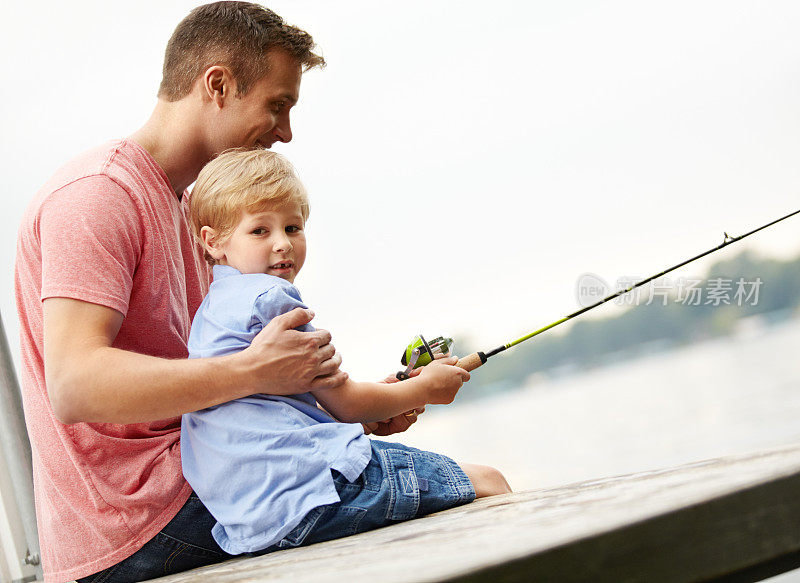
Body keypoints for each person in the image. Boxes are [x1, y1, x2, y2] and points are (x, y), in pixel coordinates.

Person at [14, 3, 420, 582]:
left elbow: (237, 380)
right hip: (139, 520)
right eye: (277, 105)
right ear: (218, 85)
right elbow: (75, 386)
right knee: (474, 484)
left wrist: (352, 411)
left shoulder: (195, 219)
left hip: (204, 481)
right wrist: (258, 373)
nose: (285, 132)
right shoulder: (97, 196)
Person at [181, 148, 512, 555]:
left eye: (293, 227)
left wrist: (385, 401)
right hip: (314, 487)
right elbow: (350, 404)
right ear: (213, 242)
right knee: (489, 481)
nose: (283, 244)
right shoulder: (274, 300)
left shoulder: (212, 313)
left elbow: (300, 410)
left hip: (257, 520)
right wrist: (426, 389)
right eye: (260, 231)